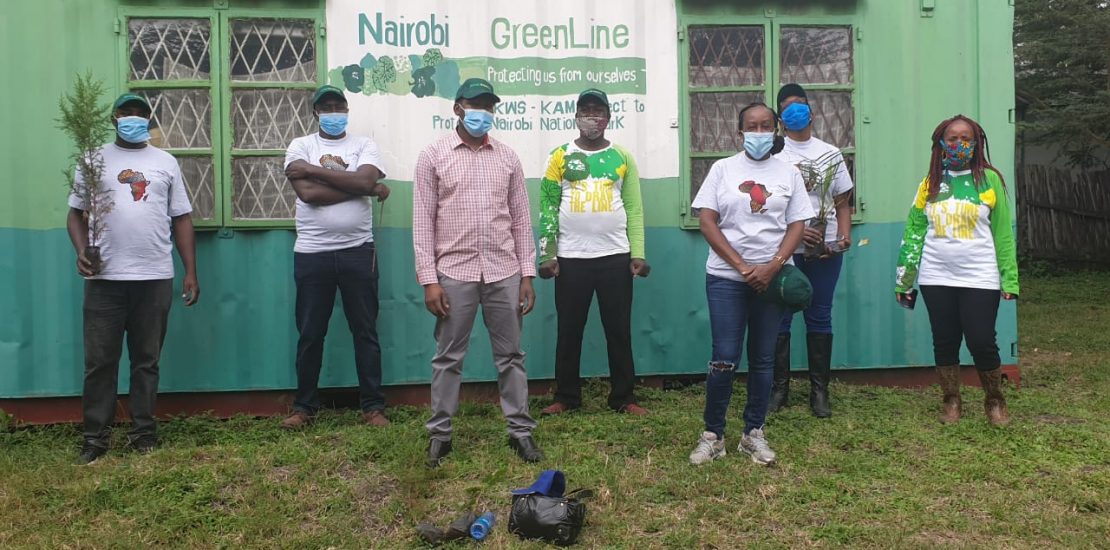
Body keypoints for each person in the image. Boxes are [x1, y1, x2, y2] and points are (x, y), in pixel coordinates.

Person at [413, 78, 543, 467]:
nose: (482, 113)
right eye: (475, 105)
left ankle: (520, 432)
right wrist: (429, 280)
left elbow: (521, 220)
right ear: (457, 108)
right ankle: (440, 434)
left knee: (511, 356)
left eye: (489, 106)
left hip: (503, 271)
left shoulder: (507, 157)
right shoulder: (433, 156)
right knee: (449, 356)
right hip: (454, 272)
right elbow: (423, 222)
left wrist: (527, 274)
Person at [66, 93, 199, 464]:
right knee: (100, 362)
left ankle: (143, 433)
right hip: (104, 278)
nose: (134, 119)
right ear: (114, 118)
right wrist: (80, 250)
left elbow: (182, 218)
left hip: (154, 276)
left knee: (146, 360)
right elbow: (76, 214)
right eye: (127, 113)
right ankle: (95, 438)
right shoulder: (93, 159)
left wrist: (190, 271)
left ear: (149, 121)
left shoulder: (165, 162)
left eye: (142, 114)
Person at [688, 103, 815, 466]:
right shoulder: (722, 169)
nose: (758, 133)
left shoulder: (787, 173)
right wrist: (743, 266)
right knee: (724, 359)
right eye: (751, 127)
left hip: (772, 281)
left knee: (763, 360)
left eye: (765, 127)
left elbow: (797, 224)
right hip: (727, 279)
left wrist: (772, 266)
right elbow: (707, 221)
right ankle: (713, 435)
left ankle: (753, 434)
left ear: (775, 131)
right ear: (739, 132)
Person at [895, 114, 1018, 426]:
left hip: (980, 275)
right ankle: (951, 399)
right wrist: (904, 280)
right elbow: (914, 233)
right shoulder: (930, 184)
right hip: (937, 275)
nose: (959, 144)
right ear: (941, 143)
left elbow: (1003, 233)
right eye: (953, 138)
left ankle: (994, 399)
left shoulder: (990, 181)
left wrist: (1010, 278)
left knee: (981, 340)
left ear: (976, 143)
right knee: (945, 339)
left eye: (966, 138)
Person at [281, 85, 391, 429]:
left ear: (347, 109)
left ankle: (373, 407)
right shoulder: (300, 145)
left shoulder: (364, 145)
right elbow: (309, 196)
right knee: (311, 333)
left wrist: (314, 171)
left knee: (366, 331)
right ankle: (303, 408)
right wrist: (360, 186)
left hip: (359, 251)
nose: (333, 111)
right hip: (313, 254)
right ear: (315, 113)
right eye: (325, 107)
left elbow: (365, 179)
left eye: (338, 106)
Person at [537, 88, 650, 416]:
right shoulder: (559, 156)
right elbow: (547, 204)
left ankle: (624, 398)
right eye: (585, 110)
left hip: (615, 255)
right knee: (569, 330)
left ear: (608, 117)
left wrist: (637, 253)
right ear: (575, 116)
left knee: (618, 329)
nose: (591, 116)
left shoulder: (622, 157)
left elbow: (634, 207)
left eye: (597, 110)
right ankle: (566, 397)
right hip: (571, 259)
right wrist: (548, 253)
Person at [768, 83, 855, 418]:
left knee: (820, 313)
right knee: (781, 315)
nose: (796, 111)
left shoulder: (830, 153)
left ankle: (820, 392)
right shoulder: (773, 154)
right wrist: (795, 231)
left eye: (801, 104)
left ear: (812, 112)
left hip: (825, 248)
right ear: (780, 117)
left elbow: (842, 202)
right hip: (786, 247)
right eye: (787, 107)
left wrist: (843, 237)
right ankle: (779, 389)